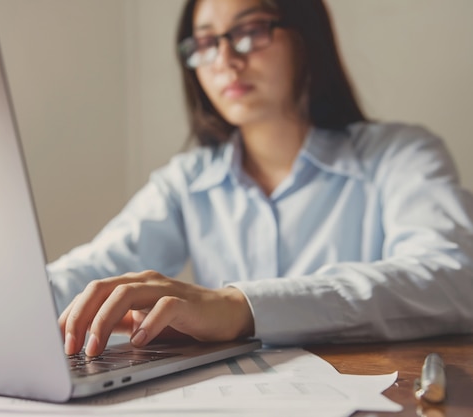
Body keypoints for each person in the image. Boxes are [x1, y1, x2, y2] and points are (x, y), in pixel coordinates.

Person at [48, 0, 473, 358]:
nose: (225, 60)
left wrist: (239, 307)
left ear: (306, 38)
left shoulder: (400, 155)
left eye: (249, 31)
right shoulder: (186, 181)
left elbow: (451, 277)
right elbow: (92, 270)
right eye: (205, 43)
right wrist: (7, 302)